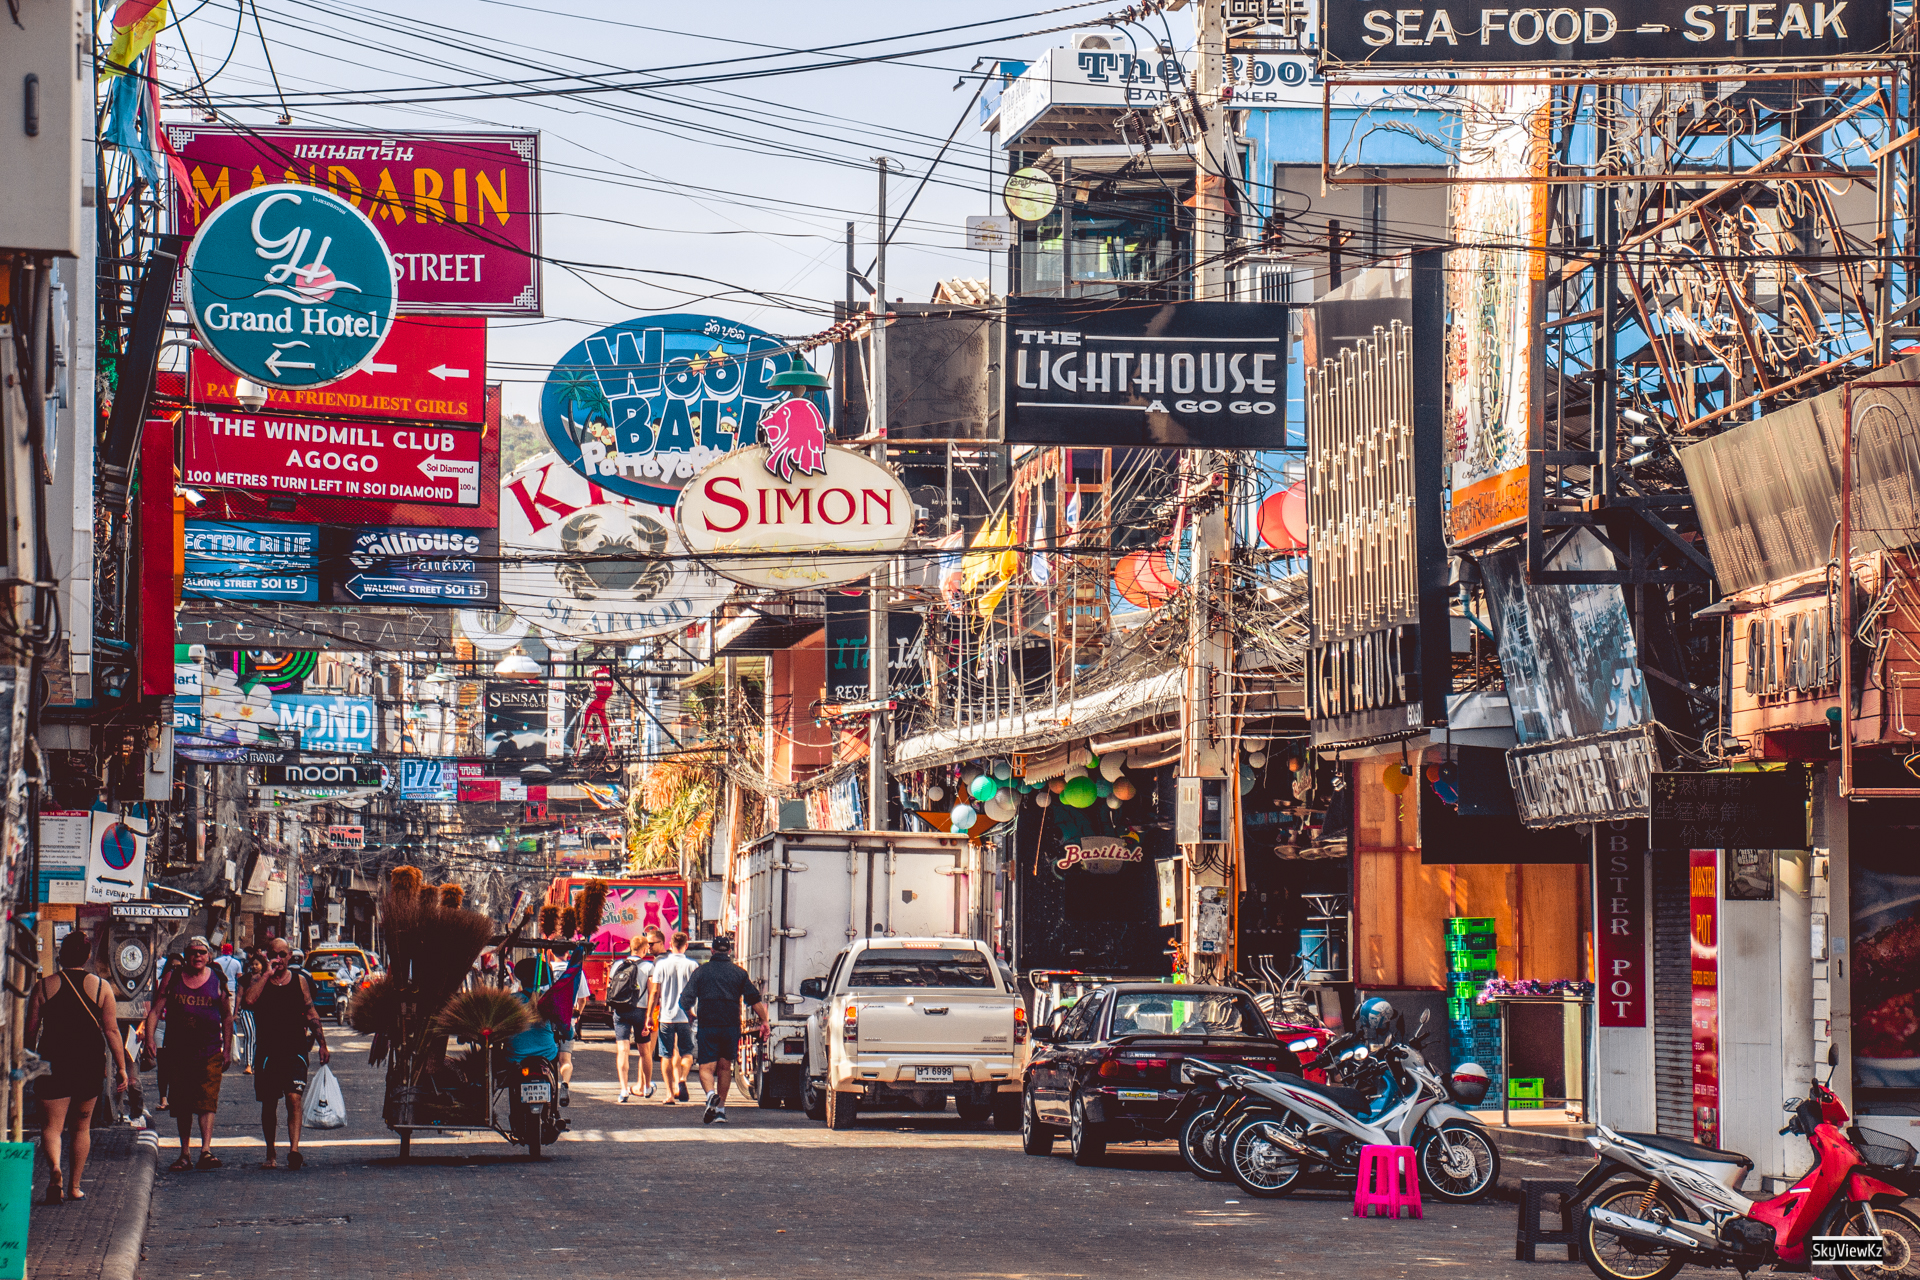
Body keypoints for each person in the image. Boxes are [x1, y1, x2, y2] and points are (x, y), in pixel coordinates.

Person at [25, 930, 130, 1204]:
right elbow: (112, 1031)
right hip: (89, 1061)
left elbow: (31, 1030)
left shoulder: (44, 986)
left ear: (61, 954)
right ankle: (74, 1186)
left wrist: (27, 1063)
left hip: (52, 1060)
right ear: (87, 957)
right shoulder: (101, 987)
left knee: (51, 1127)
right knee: (81, 1128)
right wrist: (121, 1067)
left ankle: (54, 1173)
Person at [142, 936, 232, 1172]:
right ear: (186, 955)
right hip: (178, 1051)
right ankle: (184, 1153)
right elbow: (156, 1010)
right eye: (193, 952)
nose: (198, 956)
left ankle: (205, 1150)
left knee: (206, 1101)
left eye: (202, 952)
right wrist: (149, 1039)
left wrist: (228, 1050)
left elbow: (227, 1016)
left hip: (210, 1049)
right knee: (182, 1103)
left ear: (209, 956)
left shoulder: (217, 980)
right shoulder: (172, 978)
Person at [241, 939, 330, 1170]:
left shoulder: (299, 982)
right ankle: (271, 1151)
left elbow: (311, 1012)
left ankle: (294, 1150)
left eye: (282, 955)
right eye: (273, 954)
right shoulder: (259, 981)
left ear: (290, 956)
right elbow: (248, 1001)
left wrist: (322, 1043)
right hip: (268, 1053)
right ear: (267, 955)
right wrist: (266, 975)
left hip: (294, 1050)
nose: (278, 959)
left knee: (294, 1098)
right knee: (269, 1104)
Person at [678, 936, 769, 1125]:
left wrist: (690, 1013)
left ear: (712, 951)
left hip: (708, 1026)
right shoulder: (738, 973)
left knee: (706, 1067)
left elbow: (684, 1000)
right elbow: (754, 999)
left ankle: (711, 1095)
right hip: (730, 1027)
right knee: (725, 1067)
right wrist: (764, 1020)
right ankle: (720, 1110)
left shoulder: (701, 972)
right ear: (729, 952)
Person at [606, 930, 659, 1103]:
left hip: (621, 1011)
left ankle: (623, 1090)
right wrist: (649, 1016)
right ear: (644, 950)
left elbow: (610, 987)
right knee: (645, 1052)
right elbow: (653, 992)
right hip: (640, 1011)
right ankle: (647, 1087)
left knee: (622, 1050)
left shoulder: (617, 965)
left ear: (630, 948)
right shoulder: (648, 966)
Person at [651, 933, 699, 1105]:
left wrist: (650, 1015)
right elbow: (697, 992)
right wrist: (694, 1011)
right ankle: (683, 1079)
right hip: (686, 1016)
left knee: (666, 1054)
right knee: (687, 1053)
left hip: (666, 1016)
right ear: (686, 945)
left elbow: (655, 992)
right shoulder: (693, 965)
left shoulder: (662, 964)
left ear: (670, 944)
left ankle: (670, 1094)